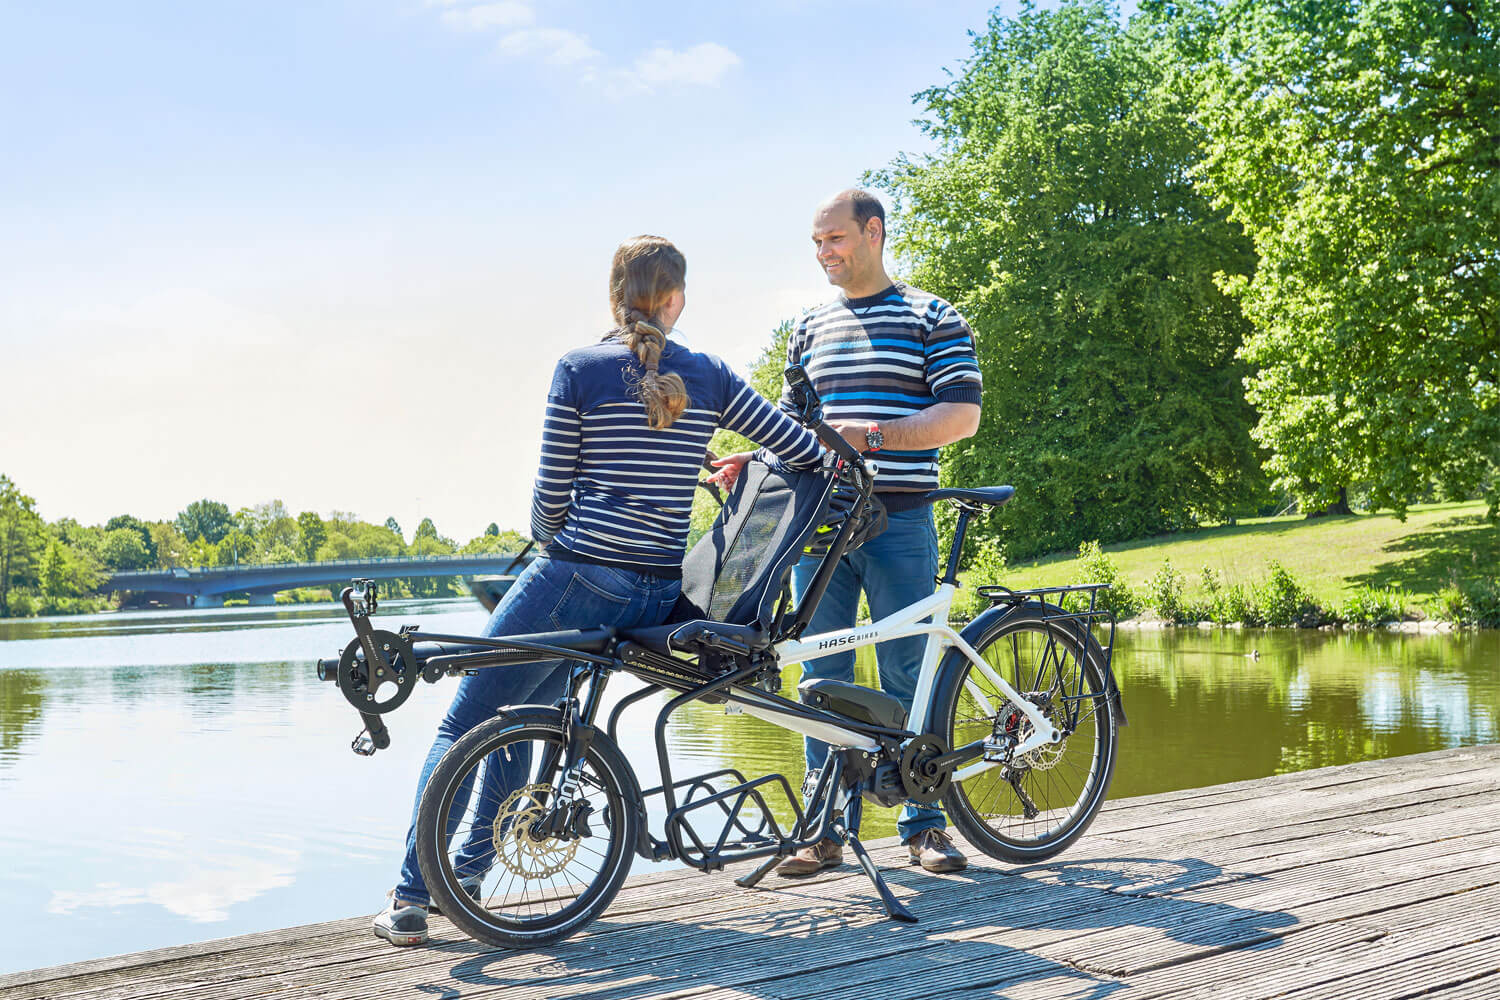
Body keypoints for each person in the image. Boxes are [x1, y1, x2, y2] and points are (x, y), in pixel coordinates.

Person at [374, 235, 823, 946]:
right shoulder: (707, 374)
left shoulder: (580, 370)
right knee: (523, 712)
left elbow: (550, 501)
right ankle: (463, 878)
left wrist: (551, 535)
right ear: (675, 301)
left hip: (577, 576)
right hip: (653, 594)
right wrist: (733, 457)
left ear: (614, 299)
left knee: (468, 721)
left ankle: (411, 897)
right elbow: (802, 448)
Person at [710, 189, 983, 875]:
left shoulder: (932, 316)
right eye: (816, 243)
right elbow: (790, 429)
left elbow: (961, 416)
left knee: (907, 672)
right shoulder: (808, 328)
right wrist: (755, 459)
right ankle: (825, 830)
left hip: (901, 520)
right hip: (818, 527)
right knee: (820, 677)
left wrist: (875, 436)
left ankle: (924, 824)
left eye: (834, 239)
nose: (825, 253)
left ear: (873, 232)